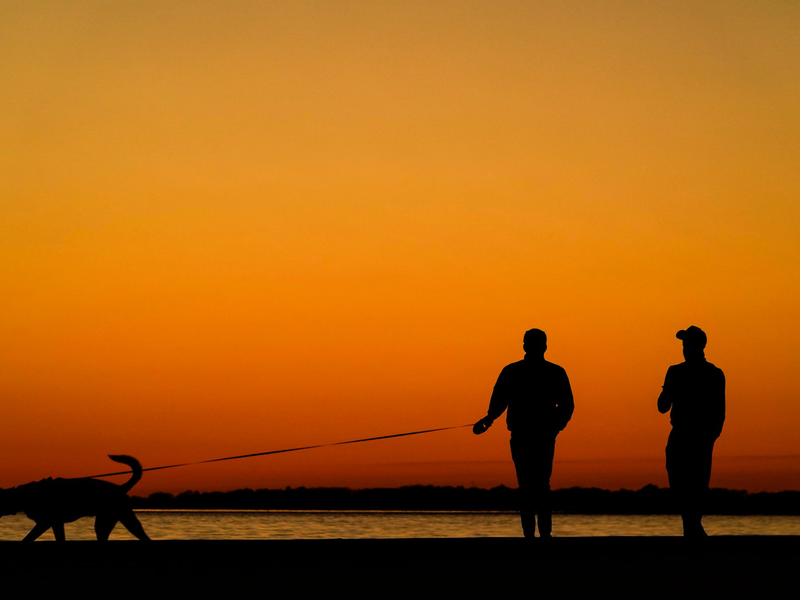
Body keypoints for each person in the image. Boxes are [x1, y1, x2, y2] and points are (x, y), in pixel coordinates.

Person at [473, 328, 574, 538]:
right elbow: (567, 406)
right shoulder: (550, 372)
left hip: (536, 435)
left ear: (526, 346)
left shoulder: (515, 371)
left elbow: (567, 405)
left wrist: (555, 427)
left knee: (530, 485)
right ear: (542, 346)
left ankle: (535, 535)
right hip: (531, 435)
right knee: (537, 485)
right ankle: (539, 535)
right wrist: (489, 419)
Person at [657, 326, 725, 537]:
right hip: (691, 436)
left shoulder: (680, 372)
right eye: (684, 345)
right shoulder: (712, 373)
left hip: (694, 436)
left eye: (687, 344)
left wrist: (710, 435)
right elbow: (663, 406)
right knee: (688, 482)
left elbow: (661, 405)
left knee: (692, 483)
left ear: (698, 346)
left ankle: (692, 528)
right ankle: (693, 527)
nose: (684, 348)